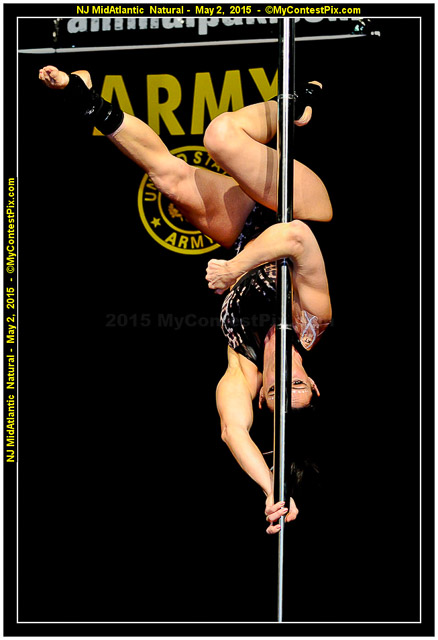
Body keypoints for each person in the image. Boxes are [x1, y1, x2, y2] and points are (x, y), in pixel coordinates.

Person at [39, 66, 332, 533]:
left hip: (245, 231)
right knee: (221, 136)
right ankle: (296, 105)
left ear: (261, 396)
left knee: (169, 178)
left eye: (276, 391)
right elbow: (295, 237)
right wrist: (234, 269)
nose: (282, 376)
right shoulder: (312, 324)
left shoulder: (242, 367)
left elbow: (232, 431)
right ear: (313, 384)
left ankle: (84, 96)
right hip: (298, 208)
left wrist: (270, 488)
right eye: (296, 384)